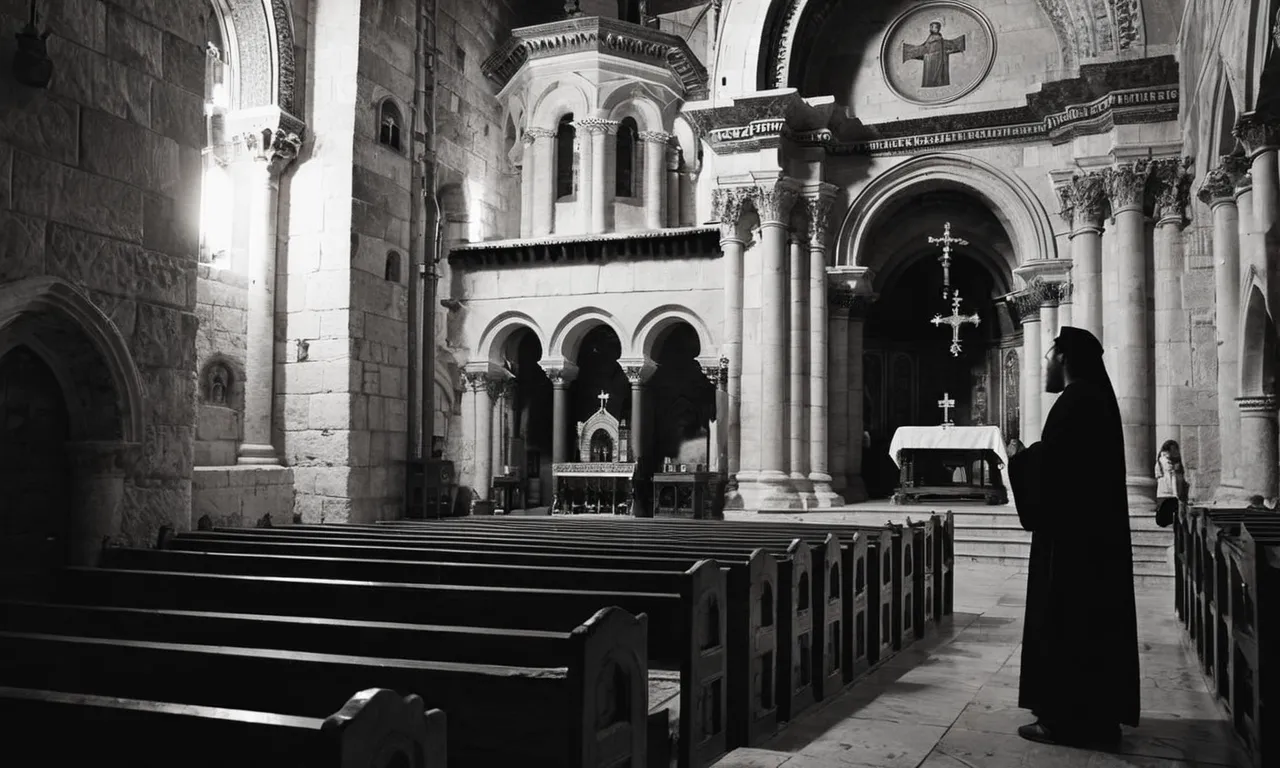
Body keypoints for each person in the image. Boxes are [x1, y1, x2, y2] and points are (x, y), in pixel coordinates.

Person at [1006, 326, 1140, 748]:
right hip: (1086, 538)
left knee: (1069, 623)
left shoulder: (1079, 400)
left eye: (1048, 356)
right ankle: (1094, 718)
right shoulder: (1091, 398)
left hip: (1074, 546)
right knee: (1088, 626)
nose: (1044, 364)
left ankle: (1067, 721)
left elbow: (1061, 467)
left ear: (1063, 358)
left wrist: (1020, 460)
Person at [1154, 439, 1187, 528]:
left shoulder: (1162, 460)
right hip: (1169, 493)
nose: (1176, 452)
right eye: (1174, 449)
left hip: (1164, 492)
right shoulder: (1167, 461)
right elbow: (1172, 479)